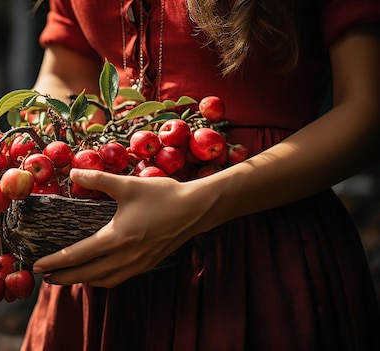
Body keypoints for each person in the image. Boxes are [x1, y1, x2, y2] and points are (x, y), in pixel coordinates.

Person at [20, 0, 380, 350]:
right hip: (105, 249)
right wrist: (33, 159)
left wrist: (201, 203)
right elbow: (65, 72)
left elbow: (367, 111)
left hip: (262, 248)